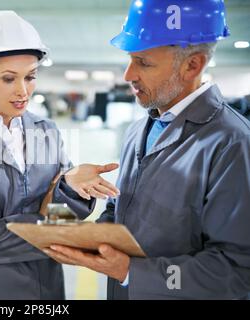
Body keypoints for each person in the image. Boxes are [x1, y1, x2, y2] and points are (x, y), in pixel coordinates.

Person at [45, 0, 250, 300]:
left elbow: (236, 271)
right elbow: (123, 210)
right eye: (130, 59)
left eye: (143, 62)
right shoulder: (140, 129)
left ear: (193, 65)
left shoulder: (232, 144)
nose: (128, 75)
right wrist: (90, 233)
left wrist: (130, 272)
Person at [0, 10, 120, 300]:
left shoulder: (47, 132)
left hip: (46, 288)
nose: (23, 91)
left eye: (30, 77)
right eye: (9, 79)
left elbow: (64, 221)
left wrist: (70, 190)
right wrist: (43, 222)